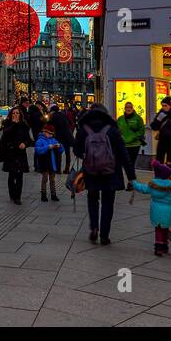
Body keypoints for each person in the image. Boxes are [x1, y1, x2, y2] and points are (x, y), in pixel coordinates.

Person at [74, 102, 136, 245]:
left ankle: (94, 227)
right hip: (111, 171)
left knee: (93, 199)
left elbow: (76, 150)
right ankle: (104, 235)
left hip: (91, 171)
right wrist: (131, 176)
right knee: (108, 202)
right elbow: (123, 153)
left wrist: (86, 153)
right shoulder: (112, 128)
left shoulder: (84, 128)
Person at [133, 160, 171, 256]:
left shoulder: (152, 186)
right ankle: (164, 245)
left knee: (158, 229)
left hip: (155, 210)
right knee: (165, 229)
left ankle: (158, 247)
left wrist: (134, 183)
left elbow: (142, 188)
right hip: (168, 212)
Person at [0, 106, 31, 204]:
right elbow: (5, 134)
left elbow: (28, 139)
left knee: (19, 175)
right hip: (10, 153)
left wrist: (25, 144)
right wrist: (13, 124)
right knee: (11, 175)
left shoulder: (24, 125)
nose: (15, 115)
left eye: (17, 113)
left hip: (20, 153)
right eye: (13, 113)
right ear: (11, 115)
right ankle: (12, 194)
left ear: (20, 115)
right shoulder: (7, 124)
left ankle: (18, 197)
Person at [116, 101, 145, 189]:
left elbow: (141, 131)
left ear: (133, 108)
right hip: (123, 145)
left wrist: (133, 137)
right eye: (127, 107)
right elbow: (116, 130)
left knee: (130, 164)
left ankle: (131, 182)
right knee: (122, 164)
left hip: (134, 145)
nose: (128, 109)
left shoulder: (138, 118)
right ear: (124, 108)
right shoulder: (120, 119)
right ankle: (125, 182)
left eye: (130, 107)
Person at [149, 97, 171, 167]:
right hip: (162, 142)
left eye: (166, 105)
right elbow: (154, 127)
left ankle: (169, 177)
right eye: (162, 105)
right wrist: (158, 120)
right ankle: (159, 177)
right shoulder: (160, 114)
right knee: (159, 163)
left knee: (169, 164)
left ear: (170, 106)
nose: (164, 107)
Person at [34, 123, 62, 202]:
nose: (50, 135)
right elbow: (38, 150)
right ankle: (43, 194)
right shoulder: (40, 140)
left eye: (51, 134)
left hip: (52, 163)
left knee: (52, 180)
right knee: (45, 179)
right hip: (44, 163)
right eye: (49, 133)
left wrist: (59, 146)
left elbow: (61, 150)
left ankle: (53, 194)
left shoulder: (53, 140)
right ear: (44, 132)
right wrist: (48, 147)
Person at [49, 103, 74, 173]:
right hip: (67, 135)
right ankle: (67, 169)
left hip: (59, 137)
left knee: (58, 152)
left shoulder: (53, 116)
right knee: (67, 153)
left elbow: (50, 125)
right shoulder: (63, 114)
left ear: (52, 111)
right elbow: (69, 122)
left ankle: (58, 169)